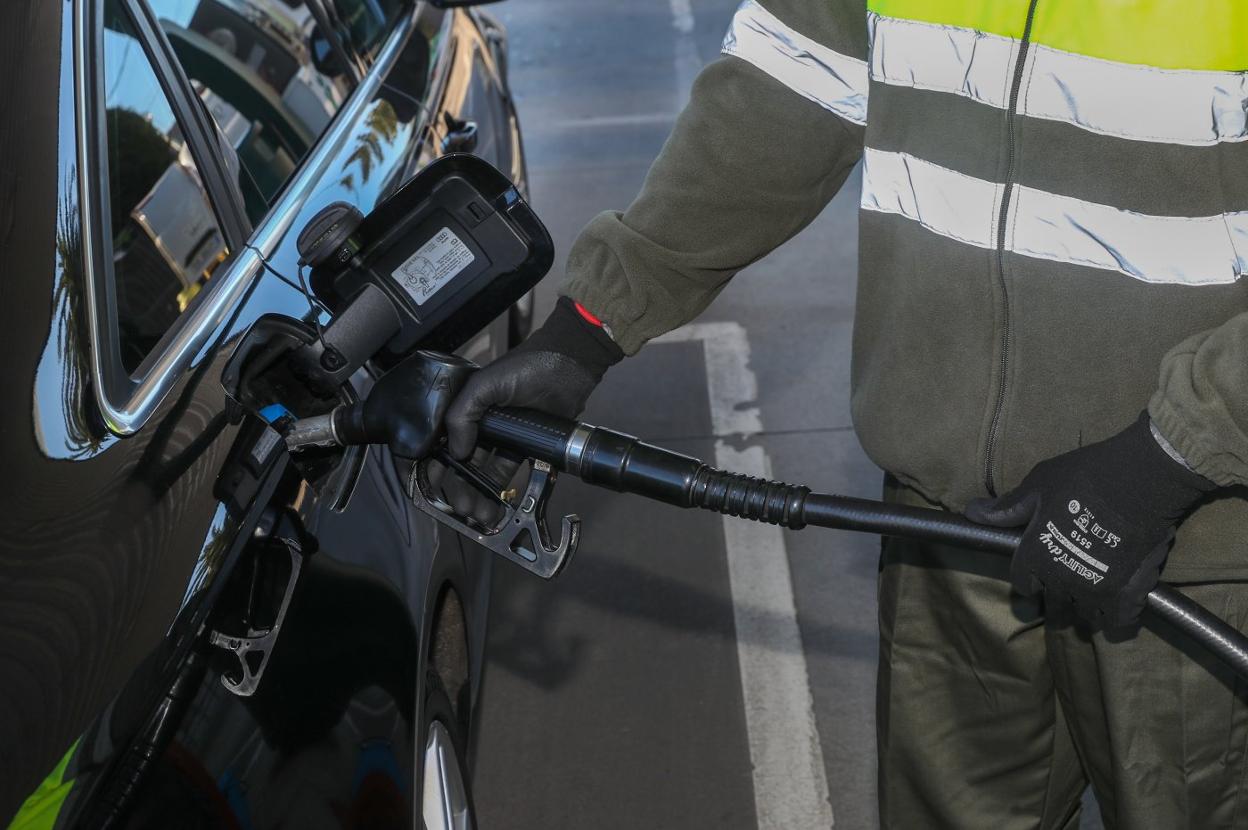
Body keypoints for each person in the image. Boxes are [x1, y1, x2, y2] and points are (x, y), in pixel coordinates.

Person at [445, 1, 1248, 827]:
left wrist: (1168, 458)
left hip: (1196, 541)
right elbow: (790, 84)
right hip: (952, 522)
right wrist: (588, 328)